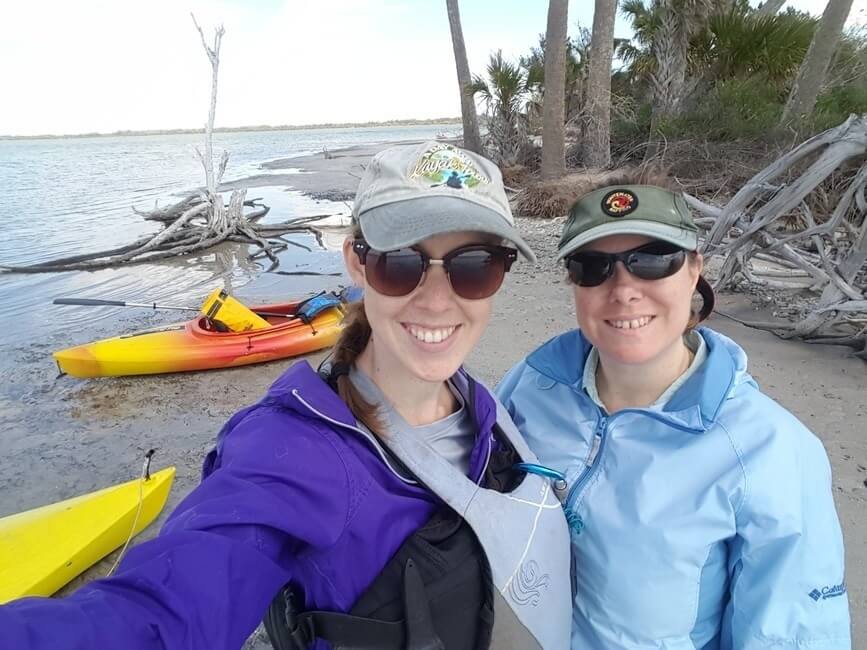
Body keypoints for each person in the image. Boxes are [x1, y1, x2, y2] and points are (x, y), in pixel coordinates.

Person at [0, 142, 572, 650]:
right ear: (356, 261)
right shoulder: (295, 455)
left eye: (475, 266)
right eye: (402, 263)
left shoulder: (481, 406)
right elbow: (165, 610)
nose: (438, 300)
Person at [496, 171, 852, 649]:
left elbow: (792, 635)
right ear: (573, 282)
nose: (623, 288)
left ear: (693, 270)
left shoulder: (770, 450)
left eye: (652, 260)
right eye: (593, 267)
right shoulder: (530, 385)